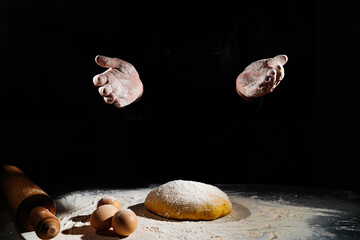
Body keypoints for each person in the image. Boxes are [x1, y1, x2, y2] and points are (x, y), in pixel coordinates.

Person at [91, 1, 288, 183]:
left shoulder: (247, 7)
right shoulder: (139, 7)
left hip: (225, 149)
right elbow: (124, 73)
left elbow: (259, 76)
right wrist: (136, 95)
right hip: (157, 147)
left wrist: (247, 94)